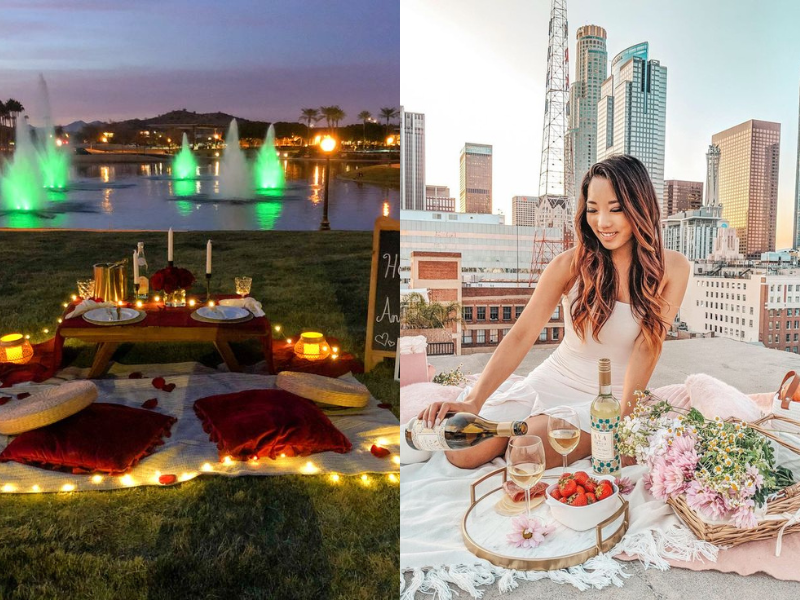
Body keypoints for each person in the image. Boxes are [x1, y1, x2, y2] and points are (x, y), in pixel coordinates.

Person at [418, 154, 690, 470]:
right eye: (593, 209)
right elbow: (522, 334)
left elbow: (648, 348)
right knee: (461, 450)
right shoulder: (567, 266)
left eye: (615, 209)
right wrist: (474, 400)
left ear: (639, 207)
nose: (602, 222)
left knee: (524, 451)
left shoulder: (673, 268)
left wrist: (624, 423)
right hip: (552, 379)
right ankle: (519, 420)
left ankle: (559, 429)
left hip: (609, 397)